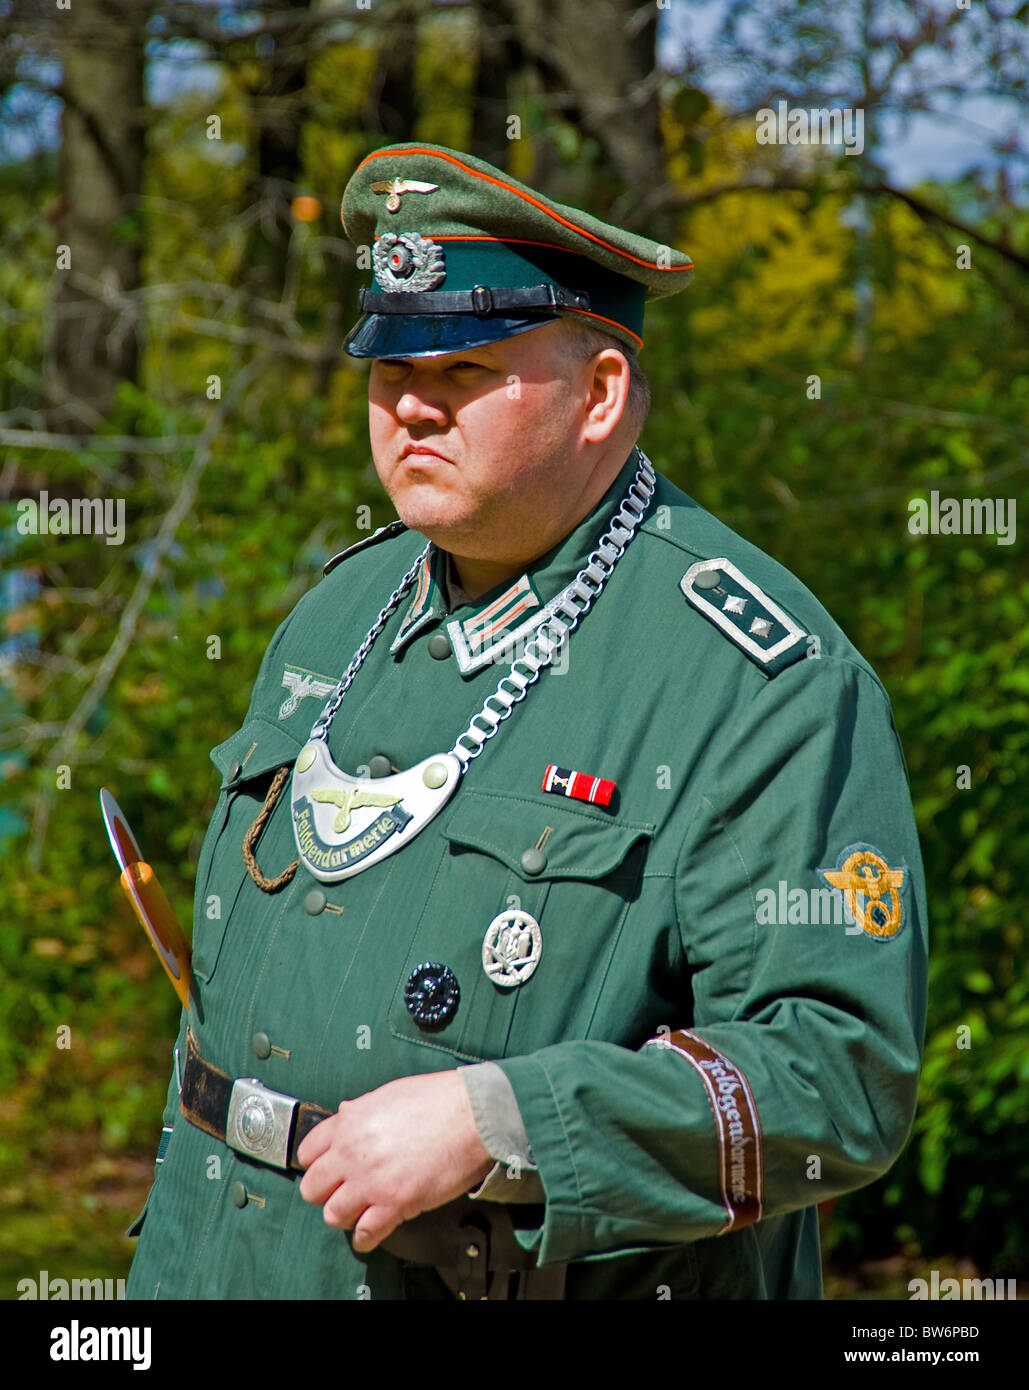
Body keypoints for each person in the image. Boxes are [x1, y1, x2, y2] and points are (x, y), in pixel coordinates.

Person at [125, 142, 928, 1300]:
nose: (408, 404)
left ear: (599, 395)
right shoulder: (337, 610)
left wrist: (506, 1120)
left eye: (463, 368)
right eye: (388, 365)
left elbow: (839, 1076)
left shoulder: (761, 680)